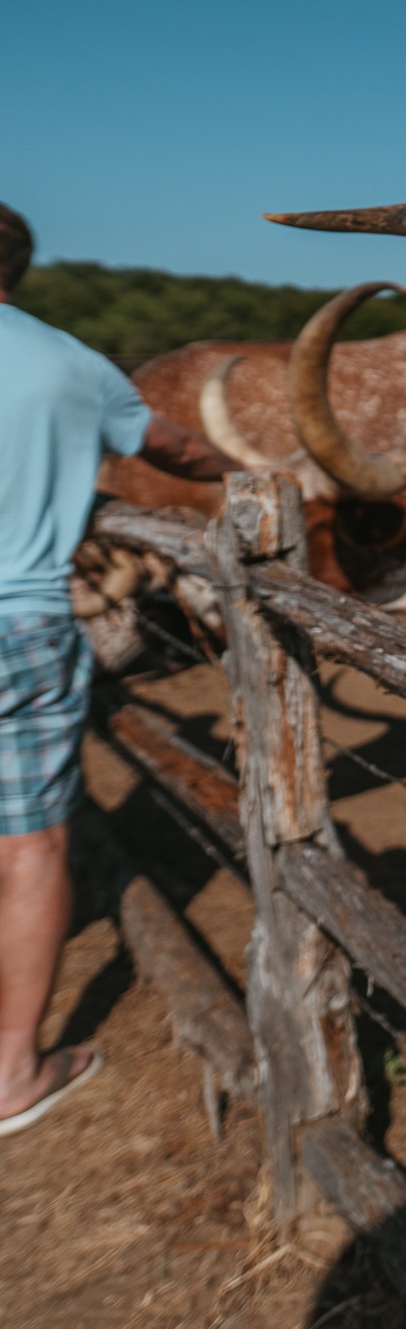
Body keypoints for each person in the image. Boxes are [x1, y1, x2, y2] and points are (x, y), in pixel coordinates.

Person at [0, 201, 241, 1136]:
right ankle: (14, 1072)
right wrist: (251, 469)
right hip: (20, 624)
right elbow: (173, 449)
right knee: (31, 849)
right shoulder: (70, 361)